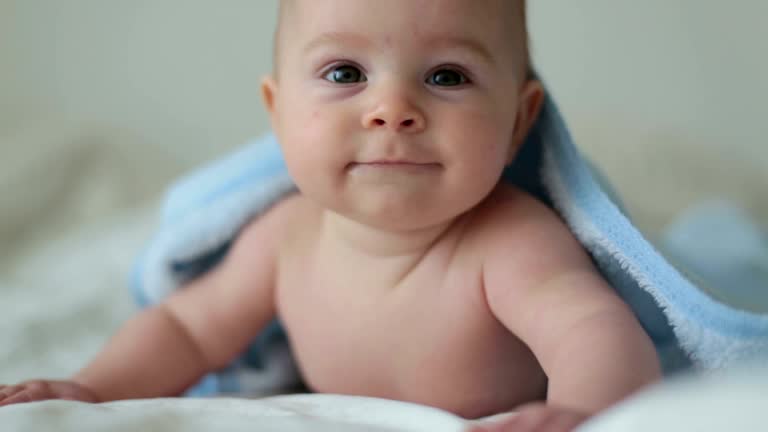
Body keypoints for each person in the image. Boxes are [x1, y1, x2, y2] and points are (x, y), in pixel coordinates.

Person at [0, 1, 661, 430]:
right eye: (345, 73)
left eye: (448, 76)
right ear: (278, 110)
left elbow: (592, 329)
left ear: (519, 121)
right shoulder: (288, 236)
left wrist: (579, 412)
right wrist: (88, 387)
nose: (392, 108)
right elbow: (187, 329)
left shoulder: (510, 241)